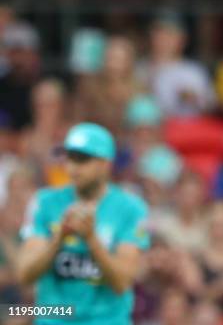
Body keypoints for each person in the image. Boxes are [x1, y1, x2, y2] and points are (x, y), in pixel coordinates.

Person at [16, 122, 150, 324]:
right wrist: (59, 238)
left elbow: (122, 282)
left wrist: (91, 239)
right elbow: (25, 274)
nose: (72, 167)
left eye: (83, 159)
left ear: (105, 164)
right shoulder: (45, 202)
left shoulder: (130, 208)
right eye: (69, 157)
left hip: (106, 319)